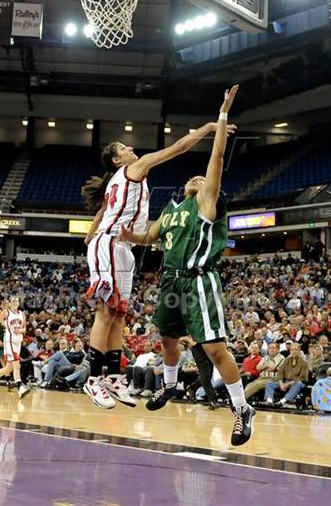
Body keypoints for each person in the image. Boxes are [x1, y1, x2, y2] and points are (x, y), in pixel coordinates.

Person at [120, 85, 256, 447]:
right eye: (192, 178)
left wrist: (223, 114)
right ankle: (169, 384)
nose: (197, 178)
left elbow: (215, 159)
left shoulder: (206, 204)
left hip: (199, 282)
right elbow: (149, 237)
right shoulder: (172, 210)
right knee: (166, 339)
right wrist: (125, 235)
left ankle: (242, 409)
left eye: (201, 179)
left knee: (214, 349)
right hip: (170, 281)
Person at [81, 115, 236, 410]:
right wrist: (208, 128)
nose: (130, 149)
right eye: (124, 148)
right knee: (105, 313)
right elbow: (177, 148)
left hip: (122, 245)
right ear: (117, 160)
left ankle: (114, 377)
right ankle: (92, 379)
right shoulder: (132, 169)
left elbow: (103, 208)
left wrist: (92, 230)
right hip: (111, 243)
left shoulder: (118, 181)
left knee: (119, 316)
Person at [0, 297, 30, 399]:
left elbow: (25, 329)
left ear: (19, 303)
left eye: (16, 301)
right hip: (9, 341)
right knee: (17, 365)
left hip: (18, 341)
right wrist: (2, 320)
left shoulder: (22, 314)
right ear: (10, 303)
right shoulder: (6, 312)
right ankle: (20, 388)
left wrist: (20, 330)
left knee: (9, 368)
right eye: (13, 301)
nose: (15, 302)